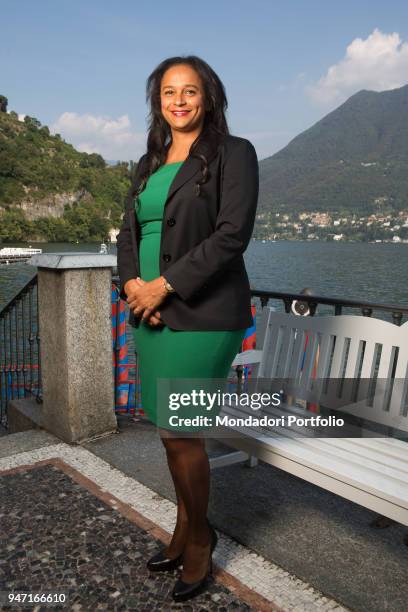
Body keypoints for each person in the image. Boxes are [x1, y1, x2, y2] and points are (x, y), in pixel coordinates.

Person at [116, 55, 259, 602]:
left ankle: (200, 539)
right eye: (169, 92)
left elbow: (231, 235)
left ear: (208, 97)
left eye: (190, 91)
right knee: (170, 432)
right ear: (158, 100)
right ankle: (184, 526)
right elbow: (129, 232)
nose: (179, 100)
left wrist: (164, 286)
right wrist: (132, 285)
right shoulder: (148, 161)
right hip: (148, 311)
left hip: (203, 312)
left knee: (181, 429)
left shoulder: (233, 153)